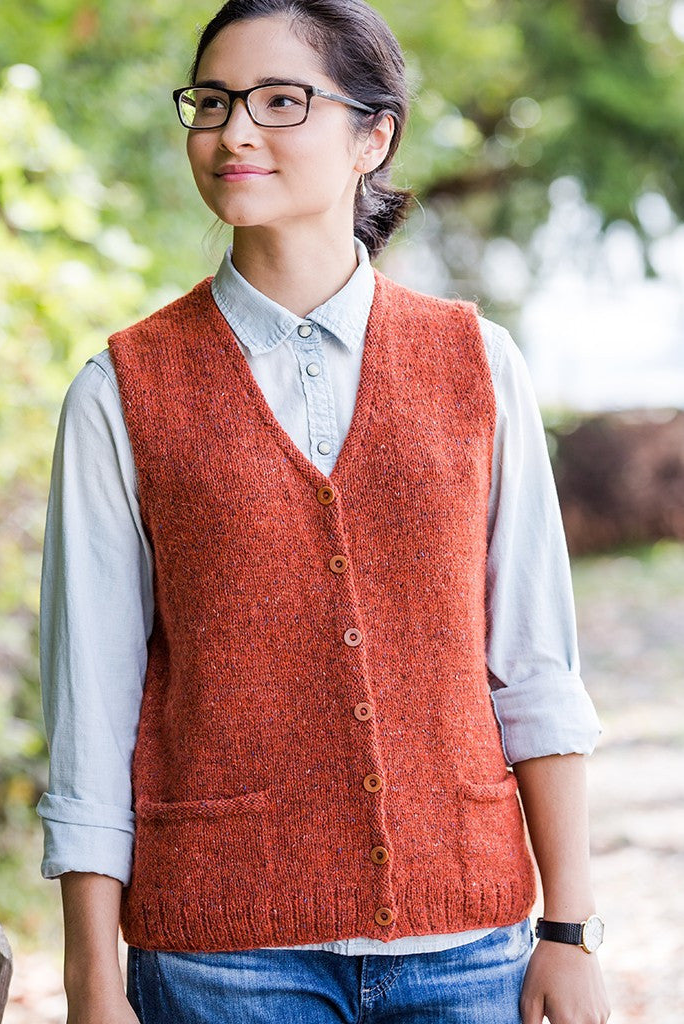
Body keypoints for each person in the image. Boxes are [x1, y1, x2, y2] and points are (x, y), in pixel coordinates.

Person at [37, 2, 612, 1022]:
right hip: (221, 959)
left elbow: (532, 664)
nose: (233, 132)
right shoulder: (121, 388)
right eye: (211, 102)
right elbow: (93, 701)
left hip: (467, 949)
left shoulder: (476, 365)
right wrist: (91, 972)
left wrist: (567, 927)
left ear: (372, 135)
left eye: (279, 101)